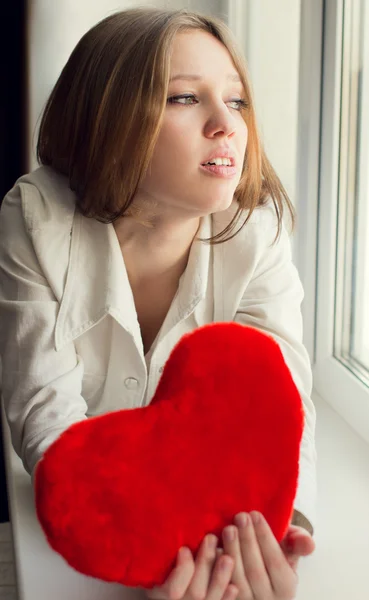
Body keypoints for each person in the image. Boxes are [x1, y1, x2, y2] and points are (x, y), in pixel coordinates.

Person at [0, 7, 317, 600]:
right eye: (184, 99)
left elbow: (282, 405)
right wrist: (147, 549)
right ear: (108, 117)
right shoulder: (36, 217)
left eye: (238, 100)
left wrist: (273, 533)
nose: (227, 124)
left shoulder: (259, 233)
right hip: (77, 544)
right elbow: (46, 419)